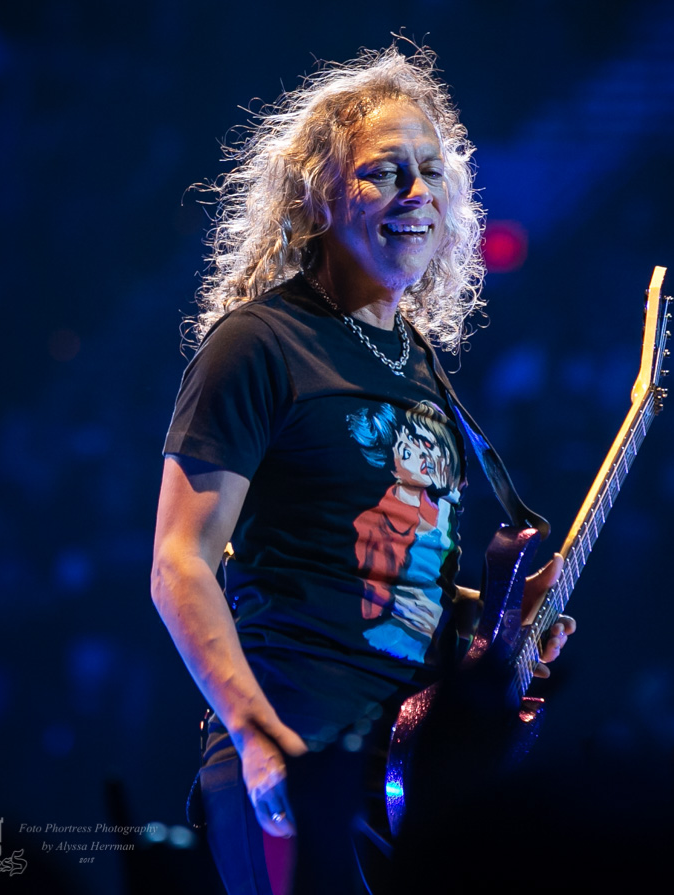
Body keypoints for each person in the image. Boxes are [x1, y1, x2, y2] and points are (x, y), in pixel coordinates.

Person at [150, 44, 576, 894]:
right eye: (386, 172)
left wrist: (502, 623)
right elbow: (179, 562)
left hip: (410, 769)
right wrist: (253, 732)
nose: (417, 192)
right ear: (319, 195)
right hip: (297, 751)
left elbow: (383, 571)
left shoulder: (420, 367)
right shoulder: (259, 343)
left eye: (432, 172)